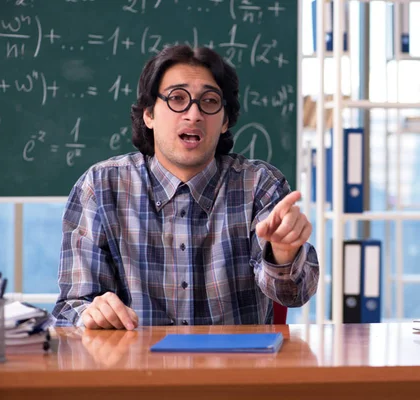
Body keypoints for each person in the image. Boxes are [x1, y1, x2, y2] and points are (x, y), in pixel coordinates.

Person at [52, 45, 319, 329]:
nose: (194, 114)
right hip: (133, 370)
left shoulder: (259, 185)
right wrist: (90, 314)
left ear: (225, 120)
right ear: (149, 114)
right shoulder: (101, 187)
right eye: (177, 98)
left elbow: (294, 294)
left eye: (210, 101)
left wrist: (282, 253)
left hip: (237, 370)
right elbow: (71, 308)